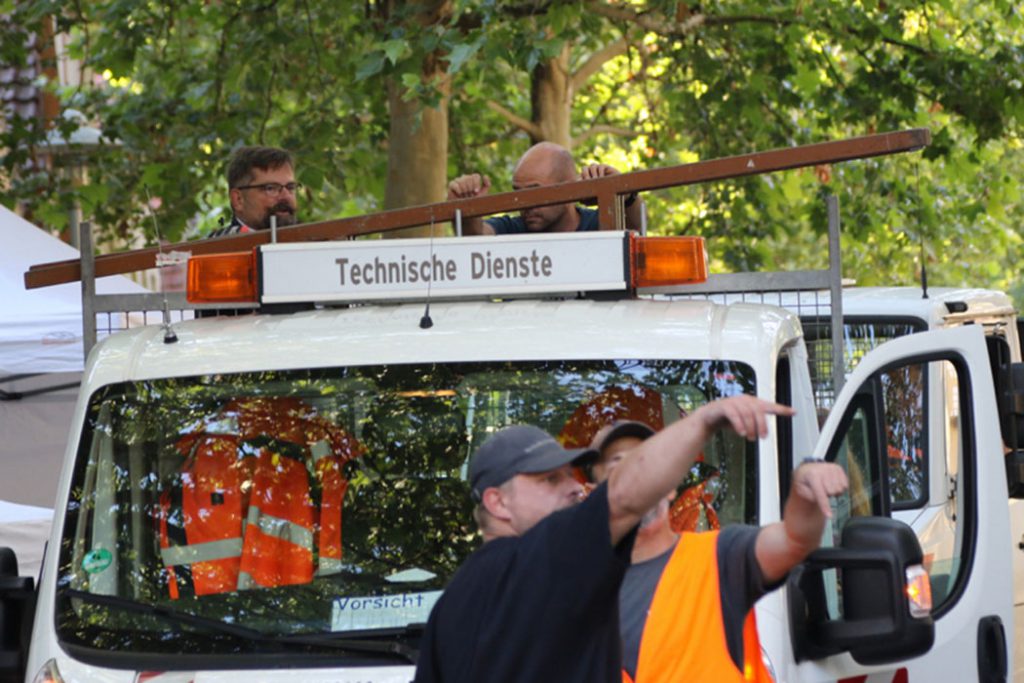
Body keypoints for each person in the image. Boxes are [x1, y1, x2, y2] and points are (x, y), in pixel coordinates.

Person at [413, 395, 795, 683]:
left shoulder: (449, 609)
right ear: (498, 502)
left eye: (572, 475)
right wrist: (704, 420)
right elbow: (626, 496)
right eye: (550, 479)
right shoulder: (549, 555)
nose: (575, 490)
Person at [584, 420, 849, 682]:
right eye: (618, 467)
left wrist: (807, 489)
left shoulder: (720, 556)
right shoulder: (575, 592)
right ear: (594, 493)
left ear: (670, 485)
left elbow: (794, 538)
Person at [446, 141, 644, 235]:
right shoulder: (513, 229)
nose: (526, 204)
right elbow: (475, 240)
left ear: (568, 189)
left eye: (535, 192)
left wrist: (624, 194)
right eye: (518, 194)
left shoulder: (600, 225)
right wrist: (466, 204)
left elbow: (635, 229)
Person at [209, 146, 300, 237]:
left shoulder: (308, 241)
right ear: (238, 199)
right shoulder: (215, 248)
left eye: (290, 187)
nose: (286, 196)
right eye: (270, 188)